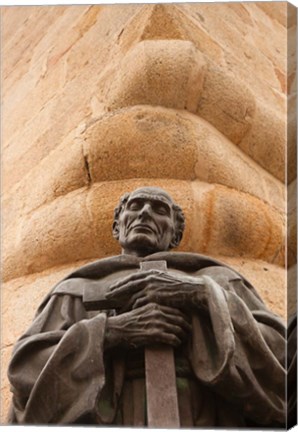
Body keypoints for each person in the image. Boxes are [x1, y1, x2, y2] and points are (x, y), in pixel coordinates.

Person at [7, 186, 286, 427]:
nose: (144, 213)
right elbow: (26, 371)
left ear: (175, 236)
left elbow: (281, 356)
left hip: (203, 416)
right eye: (136, 206)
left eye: (159, 209)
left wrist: (201, 296)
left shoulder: (219, 280)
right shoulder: (76, 288)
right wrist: (111, 333)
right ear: (118, 226)